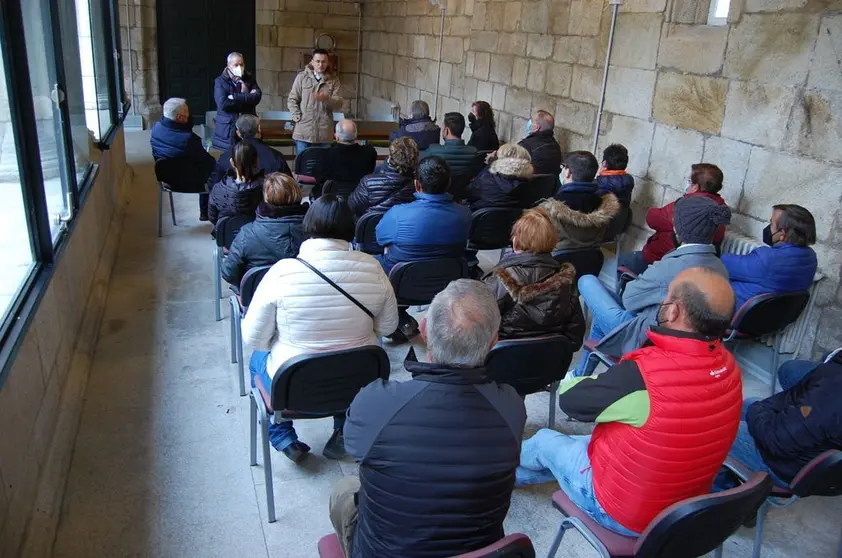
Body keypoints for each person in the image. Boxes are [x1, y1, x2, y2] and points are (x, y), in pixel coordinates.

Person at [517, 267, 742, 536]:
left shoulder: (644, 377)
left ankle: (489, 466)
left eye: (667, 298)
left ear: (674, 312)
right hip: (680, 510)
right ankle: (505, 474)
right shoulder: (730, 369)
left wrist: (579, 380)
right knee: (574, 446)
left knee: (544, 441)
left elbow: (570, 400)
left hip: (624, 513)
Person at [329, 279, 526, 558]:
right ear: (494, 342)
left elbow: (353, 447)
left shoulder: (376, 403)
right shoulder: (511, 406)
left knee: (344, 489)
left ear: (423, 331)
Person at [241, 195, 399, 463]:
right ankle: (342, 429)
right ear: (350, 228)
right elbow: (388, 326)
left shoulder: (282, 272)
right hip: (357, 380)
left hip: (294, 387)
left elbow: (254, 338)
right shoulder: (373, 267)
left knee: (257, 360)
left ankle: (282, 436)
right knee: (348, 354)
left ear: (309, 225)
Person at [572, 195, 732, 377]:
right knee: (602, 317)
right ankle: (579, 375)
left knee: (587, 280)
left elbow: (629, 299)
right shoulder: (720, 268)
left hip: (645, 337)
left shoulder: (673, 266)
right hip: (682, 343)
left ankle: (579, 376)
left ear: (679, 228)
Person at [723, 348, 842, 489]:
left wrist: (759, 409)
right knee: (747, 405)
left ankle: (722, 495)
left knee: (714, 433)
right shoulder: (832, 382)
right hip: (807, 445)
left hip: (788, 466)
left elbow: (776, 441)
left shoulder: (833, 393)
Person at [482, 208, 585, 344]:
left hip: (502, 356)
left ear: (515, 242)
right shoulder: (566, 280)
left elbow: (478, 328)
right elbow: (575, 333)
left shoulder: (503, 280)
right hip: (549, 358)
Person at [620, 163, 728, 275]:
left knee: (622, 263)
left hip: (663, 258)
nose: (687, 184)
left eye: (689, 181)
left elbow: (653, 218)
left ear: (696, 187)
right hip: (695, 265)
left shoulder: (685, 206)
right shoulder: (720, 208)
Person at [375, 156, 472, 273]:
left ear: (416, 185)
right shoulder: (465, 215)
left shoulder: (397, 214)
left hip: (400, 280)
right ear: (449, 182)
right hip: (446, 278)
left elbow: (380, 239)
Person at [721, 204, 817, 311]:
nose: (768, 228)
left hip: (734, 310)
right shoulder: (811, 258)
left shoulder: (767, 259)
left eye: (771, 224)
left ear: (782, 234)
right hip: (770, 318)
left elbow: (725, 262)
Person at [221, 173, 307, 287]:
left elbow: (228, 274)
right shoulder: (316, 233)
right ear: (298, 194)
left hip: (257, 300)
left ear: (266, 198)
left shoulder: (247, 234)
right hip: (304, 298)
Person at [540, 151, 621, 254]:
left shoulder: (546, 210)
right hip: (592, 263)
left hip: (558, 265)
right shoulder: (606, 207)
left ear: (568, 172)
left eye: (563, 167)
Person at [150, 97, 216, 221]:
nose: (189, 114)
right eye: (187, 112)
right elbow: (209, 162)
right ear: (180, 118)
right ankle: (206, 211)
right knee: (216, 172)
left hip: (166, 180)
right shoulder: (189, 140)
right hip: (191, 183)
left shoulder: (155, 129)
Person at [288, 48, 343, 154]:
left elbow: (339, 103)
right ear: (312, 62)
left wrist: (327, 99)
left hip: (324, 132)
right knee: (302, 164)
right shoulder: (302, 77)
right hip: (304, 130)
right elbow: (292, 99)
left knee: (323, 165)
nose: (320, 64)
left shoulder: (334, 80)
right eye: (318, 61)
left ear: (328, 63)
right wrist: (297, 117)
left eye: (323, 62)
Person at [348, 137, 418, 218]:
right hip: (405, 228)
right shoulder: (420, 185)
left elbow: (353, 206)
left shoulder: (368, 182)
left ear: (390, 156)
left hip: (371, 228)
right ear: (415, 158)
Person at [211, 114, 292, 184]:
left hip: (232, 200)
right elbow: (289, 186)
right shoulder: (276, 156)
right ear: (259, 129)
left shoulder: (224, 158)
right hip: (268, 199)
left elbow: (215, 186)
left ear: (238, 133)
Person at [420, 112, 483, 200]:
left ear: (446, 130)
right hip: (462, 197)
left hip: (439, 196)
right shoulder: (473, 152)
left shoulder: (433, 150)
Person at [312, 119, 377, 198]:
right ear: (356, 135)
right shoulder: (369, 153)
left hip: (330, 199)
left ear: (337, 137)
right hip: (360, 198)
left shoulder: (325, 155)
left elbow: (317, 176)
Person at [212, 52, 262, 151]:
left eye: (242, 64)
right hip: (228, 130)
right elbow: (223, 104)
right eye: (236, 65)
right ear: (228, 66)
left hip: (247, 128)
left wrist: (234, 97)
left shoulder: (249, 79)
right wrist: (247, 98)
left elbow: (257, 97)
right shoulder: (220, 81)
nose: (239, 67)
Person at [207, 142, 264, 225]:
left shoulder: (217, 189)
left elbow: (212, 218)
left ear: (232, 162)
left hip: (227, 236)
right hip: (257, 236)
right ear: (256, 161)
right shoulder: (266, 189)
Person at [465, 143, 533, 211]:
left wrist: (490, 164)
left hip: (482, 217)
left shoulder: (486, 177)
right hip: (517, 219)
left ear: (500, 159)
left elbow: (470, 194)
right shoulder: (530, 183)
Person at [518, 110, 562, 176]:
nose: (529, 123)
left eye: (532, 121)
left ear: (537, 127)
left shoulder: (525, 145)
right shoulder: (556, 146)